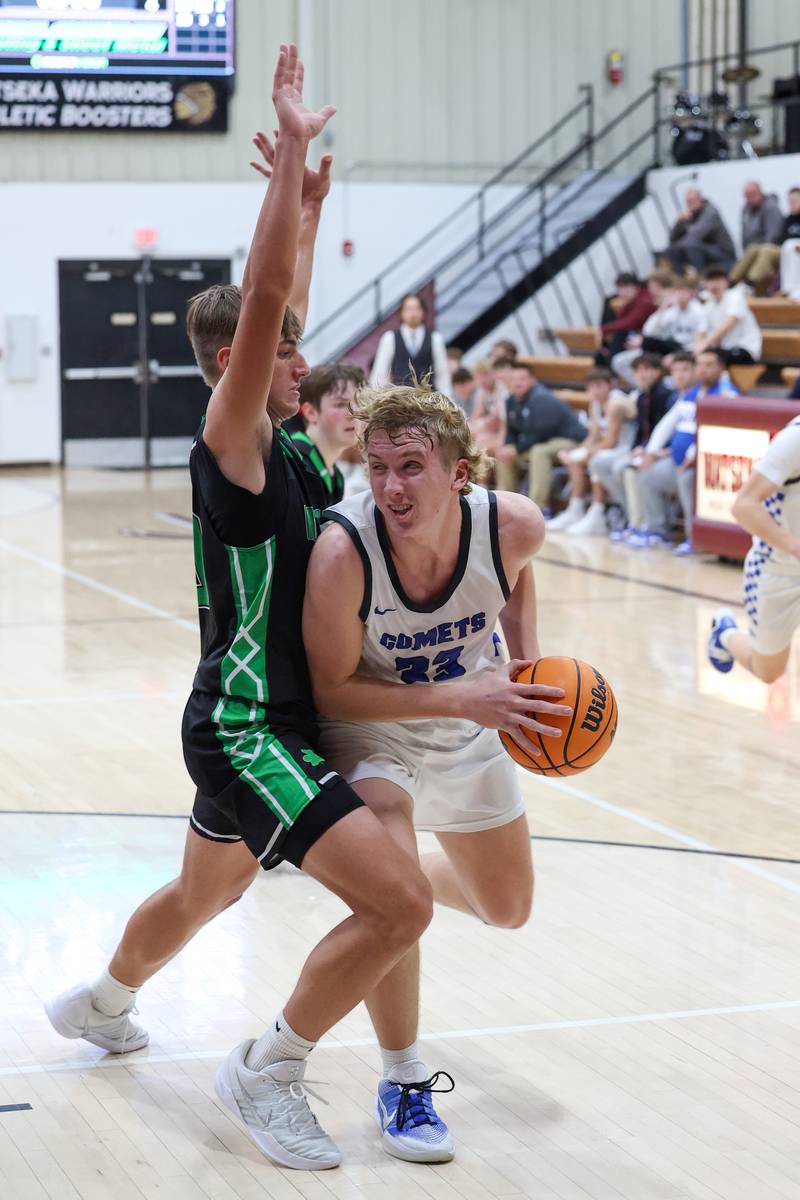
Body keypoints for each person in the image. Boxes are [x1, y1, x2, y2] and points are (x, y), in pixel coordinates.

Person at [44, 46, 437, 1174]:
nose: (305, 357)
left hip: (268, 719)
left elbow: (280, 298)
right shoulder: (233, 439)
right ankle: (267, 1069)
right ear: (235, 363)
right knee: (401, 904)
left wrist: (305, 210)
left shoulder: (292, 438)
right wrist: (290, 155)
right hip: (247, 726)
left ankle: (102, 1002)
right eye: (285, 349)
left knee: (201, 891)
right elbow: (265, 301)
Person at [303, 383, 572, 1162]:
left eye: (411, 467)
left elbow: (515, 570)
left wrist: (526, 664)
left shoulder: (513, 524)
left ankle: (400, 873)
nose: (390, 486)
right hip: (370, 724)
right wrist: (465, 695)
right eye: (378, 466)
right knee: (398, 904)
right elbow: (330, 690)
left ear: (459, 474)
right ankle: (403, 1079)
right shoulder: (343, 552)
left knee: (507, 907)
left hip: (468, 718)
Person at [708, 413, 800, 683]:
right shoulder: (794, 440)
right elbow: (744, 506)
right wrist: (794, 547)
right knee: (768, 671)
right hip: (777, 570)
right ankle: (725, 635)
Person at [587, 354, 675, 543]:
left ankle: (643, 524)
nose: (643, 374)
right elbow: (641, 431)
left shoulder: (665, 395)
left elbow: (664, 431)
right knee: (603, 465)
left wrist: (649, 451)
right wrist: (638, 448)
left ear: (658, 371)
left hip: (660, 452)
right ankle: (631, 516)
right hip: (641, 449)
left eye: (648, 369)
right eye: (639, 370)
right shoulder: (642, 396)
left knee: (626, 469)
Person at [546, 367, 632, 532]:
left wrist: (584, 453)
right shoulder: (595, 404)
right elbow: (593, 436)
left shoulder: (616, 404)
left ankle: (597, 512)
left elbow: (611, 442)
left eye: (599, 386)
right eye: (591, 387)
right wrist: (576, 452)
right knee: (575, 460)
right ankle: (575, 509)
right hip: (610, 449)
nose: (595, 391)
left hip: (626, 448)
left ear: (610, 385)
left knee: (593, 459)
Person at [494, 361, 587, 511]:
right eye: (514, 379)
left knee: (539, 452)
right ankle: (507, 504)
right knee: (504, 453)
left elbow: (541, 433)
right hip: (542, 441)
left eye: (522, 378)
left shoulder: (541, 398)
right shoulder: (510, 400)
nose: (517, 383)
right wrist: (508, 446)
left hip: (569, 440)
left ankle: (537, 507)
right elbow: (512, 430)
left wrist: (516, 449)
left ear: (532, 380)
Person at [634, 353, 698, 554]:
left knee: (686, 479)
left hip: (694, 465)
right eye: (676, 370)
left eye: (685, 369)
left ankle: (694, 538)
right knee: (647, 474)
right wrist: (651, 452)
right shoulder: (684, 397)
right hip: (674, 461)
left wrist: (691, 455)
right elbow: (665, 426)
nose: (680, 375)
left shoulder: (714, 394)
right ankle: (657, 530)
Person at [289, 363, 365, 505]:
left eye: (359, 403)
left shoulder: (336, 476)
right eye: (340, 404)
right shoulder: (294, 458)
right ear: (311, 412)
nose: (354, 414)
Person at [612, 273, 705, 387]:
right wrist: (663, 306)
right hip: (674, 347)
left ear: (691, 293)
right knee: (642, 345)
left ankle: (654, 384)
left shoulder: (698, 311)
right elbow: (648, 330)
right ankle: (644, 386)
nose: (680, 295)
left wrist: (677, 355)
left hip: (689, 349)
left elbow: (701, 340)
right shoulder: (674, 310)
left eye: (683, 291)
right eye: (678, 292)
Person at [370, 293, 451, 393]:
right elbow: (380, 373)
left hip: (428, 398)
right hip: (400, 398)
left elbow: (442, 375)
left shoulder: (435, 338)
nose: (413, 313)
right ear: (401, 313)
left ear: (423, 312)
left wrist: (447, 397)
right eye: (408, 309)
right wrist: (379, 397)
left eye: (417, 309)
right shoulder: (389, 338)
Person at [694, 266, 762, 366]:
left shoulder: (735, 296)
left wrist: (706, 344)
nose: (714, 285)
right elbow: (701, 330)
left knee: (710, 359)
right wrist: (697, 346)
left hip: (745, 348)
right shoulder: (709, 304)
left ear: (726, 282)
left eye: (718, 281)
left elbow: (730, 320)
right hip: (724, 349)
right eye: (711, 281)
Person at [729, 181, 785, 296]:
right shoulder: (746, 210)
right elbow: (744, 238)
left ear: (760, 192)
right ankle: (730, 283)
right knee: (752, 248)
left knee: (765, 249)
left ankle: (750, 284)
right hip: (757, 251)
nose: (749, 199)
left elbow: (773, 236)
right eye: (746, 196)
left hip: (774, 250)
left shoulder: (771, 207)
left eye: (752, 195)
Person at [663, 187, 735, 274]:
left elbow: (695, 235)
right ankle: (680, 278)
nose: (690, 204)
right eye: (688, 202)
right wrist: (679, 223)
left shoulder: (710, 212)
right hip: (704, 249)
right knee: (671, 250)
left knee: (691, 245)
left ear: (700, 199)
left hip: (722, 252)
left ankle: (701, 277)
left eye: (692, 200)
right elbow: (672, 239)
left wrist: (679, 244)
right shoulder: (689, 215)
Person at [594, 273, 656, 368]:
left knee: (619, 336)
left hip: (648, 342)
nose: (622, 293)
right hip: (639, 339)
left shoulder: (645, 301)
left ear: (636, 287)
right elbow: (621, 319)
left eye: (626, 288)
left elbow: (629, 322)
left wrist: (603, 329)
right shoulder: (633, 301)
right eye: (620, 289)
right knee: (603, 355)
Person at [779, 187, 800, 301]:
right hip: (790, 248)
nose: (792, 205)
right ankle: (787, 288)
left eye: (795, 201)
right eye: (790, 202)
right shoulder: (788, 220)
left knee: (792, 246)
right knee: (788, 246)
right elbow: (781, 239)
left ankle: (795, 288)